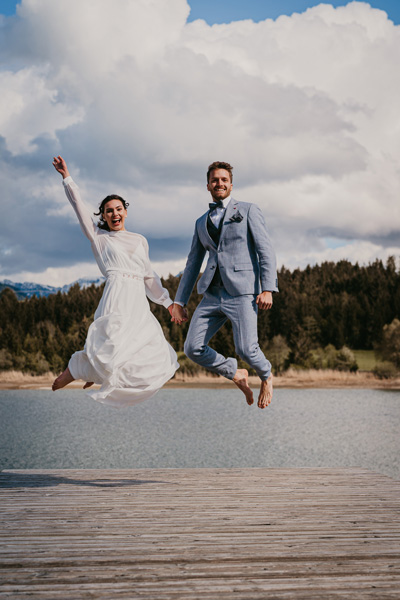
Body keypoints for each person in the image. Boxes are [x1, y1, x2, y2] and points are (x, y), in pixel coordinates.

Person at [51, 156, 179, 407]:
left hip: (137, 301)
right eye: (109, 210)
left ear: (126, 212)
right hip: (116, 294)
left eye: (118, 209)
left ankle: (92, 374)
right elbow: (78, 206)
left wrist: (168, 303)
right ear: (104, 216)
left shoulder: (140, 240)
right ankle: (74, 371)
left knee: (142, 349)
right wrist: (67, 178)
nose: (114, 213)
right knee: (111, 339)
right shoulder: (99, 238)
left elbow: (149, 276)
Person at [171, 161, 278, 409]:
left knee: (247, 350)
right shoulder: (200, 222)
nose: (219, 183)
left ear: (231, 184)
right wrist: (179, 302)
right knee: (192, 347)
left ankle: (266, 376)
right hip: (211, 293)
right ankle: (236, 373)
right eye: (214, 180)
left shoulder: (249, 210)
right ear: (208, 185)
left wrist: (268, 288)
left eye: (224, 180)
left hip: (242, 293)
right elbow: (192, 263)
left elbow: (265, 251)